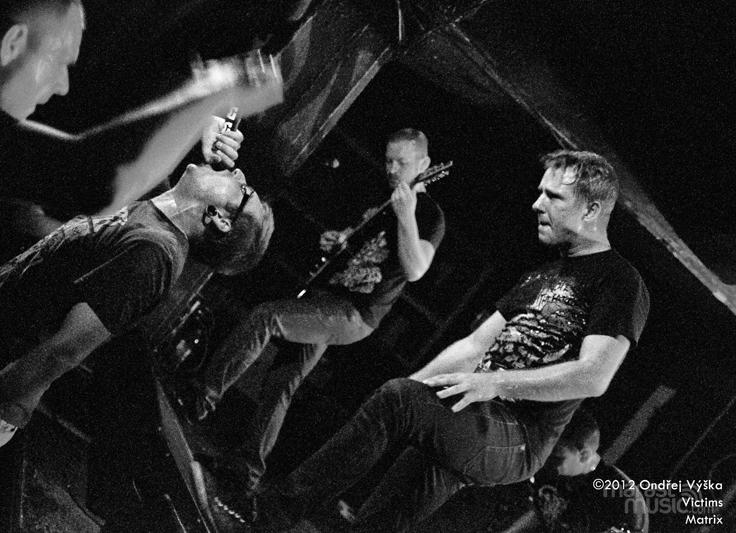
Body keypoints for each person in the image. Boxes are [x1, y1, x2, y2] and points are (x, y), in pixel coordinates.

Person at [255, 149, 650, 532]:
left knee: (398, 401)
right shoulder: (542, 275)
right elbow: (474, 345)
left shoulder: (619, 281)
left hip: (520, 436)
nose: (537, 204)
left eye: (553, 196)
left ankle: (274, 511)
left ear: (591, 210)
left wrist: (493, 383)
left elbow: (593, 376)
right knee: (386, 514)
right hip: (472, 408)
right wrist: (413, 388)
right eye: (539, 192)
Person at [0, 162, 274, 493]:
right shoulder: (157, 212)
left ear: (220, 219)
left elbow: (61, 354)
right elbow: (152, 150)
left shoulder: (154, 255)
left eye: (244, 189)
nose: (239, 172)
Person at [0, 0, 279, 318]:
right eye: (60, 61)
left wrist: (198, 118)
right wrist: (217, 90)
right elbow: (91, 179)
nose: (63, 85)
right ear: (12, 43)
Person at [190, 128, 445, 522]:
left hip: (355, 313)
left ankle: (198, 400)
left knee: (266, 317)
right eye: (388, 160)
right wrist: (338, 241)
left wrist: (406, 217)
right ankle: (245, 473)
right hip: (327, 297)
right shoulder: (383, 199)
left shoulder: (428, 215)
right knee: (283, 380)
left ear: (424, 165)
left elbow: (415, 269)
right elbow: (361, 250)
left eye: (402, 163)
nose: (392, 169)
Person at [506, 408, 649, 533]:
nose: (545, 462)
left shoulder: (622, 498)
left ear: (584, 455)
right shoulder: (551, 471)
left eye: (555, 457)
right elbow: (538, 515)